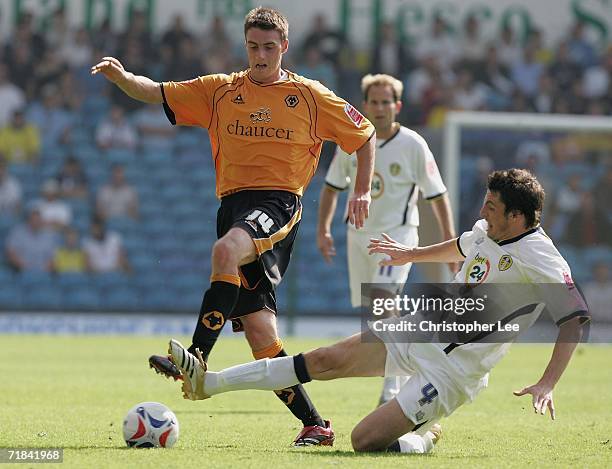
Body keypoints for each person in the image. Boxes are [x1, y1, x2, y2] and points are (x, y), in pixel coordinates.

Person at [91, 6, 376, 446]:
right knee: (262, 336)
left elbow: (364, 134)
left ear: (284, 47)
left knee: (225, 251)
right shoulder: (220, 90)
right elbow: (157, 92)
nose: (260, 56)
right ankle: (315, 425)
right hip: (232, 206)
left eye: (268, 47)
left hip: (278, 202)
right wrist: (124, 78)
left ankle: (197, 354)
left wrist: (361, 190)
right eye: (252, 47)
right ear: (245, 46)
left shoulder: (310, 96)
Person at [167, 169, 589, 454]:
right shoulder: (486, 231)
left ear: (517, 216)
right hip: (420, 328)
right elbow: (464, 243)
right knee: (324, 359)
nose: (483, 212)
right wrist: (411, 254)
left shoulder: (543, 259)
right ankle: (209, 383)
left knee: (364, 441)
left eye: (492, 208)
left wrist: (547, 383)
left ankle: (423, 439)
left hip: (452, 372)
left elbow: (575, 319)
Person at [317, 73, 456, 405]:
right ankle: (414, 355)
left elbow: (437, 195)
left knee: (382, 303)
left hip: (397, 237)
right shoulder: (351, 140)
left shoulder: (413, 144)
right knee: (378, 313)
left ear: (397, 106)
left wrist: (450, 239)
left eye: (386, 102)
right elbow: (332, 187)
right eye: (374, 102)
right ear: (365, 105)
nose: (380, 108)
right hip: (358, 238)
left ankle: (393, 390)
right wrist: (323, 229)